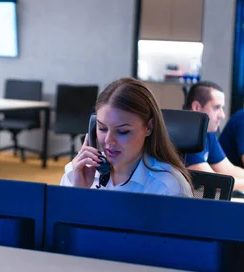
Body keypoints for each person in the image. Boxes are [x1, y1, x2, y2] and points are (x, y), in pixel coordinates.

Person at [60, 78, 193, 197]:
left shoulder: (168, 188)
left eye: (122, 131)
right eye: (102, 128)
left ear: (149, 127)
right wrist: (79, 192)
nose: (108, 141)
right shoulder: (76, 172)